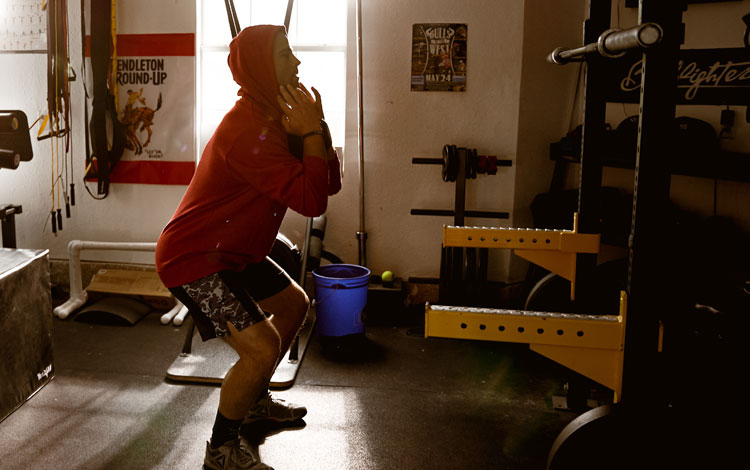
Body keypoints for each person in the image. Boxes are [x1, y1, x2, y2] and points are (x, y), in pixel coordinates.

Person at [155, 24, 341, 470]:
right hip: (193, 258)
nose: (296, 62)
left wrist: (318, 130)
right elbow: (312, 201)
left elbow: (328, 183)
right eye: (284, 55)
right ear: (261, 68)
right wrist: (311, 134)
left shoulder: (280, 118)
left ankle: (254, 401)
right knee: (260, 348)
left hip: (235, 251)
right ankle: (220, 452)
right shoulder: (248, 131)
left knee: (295, 305)